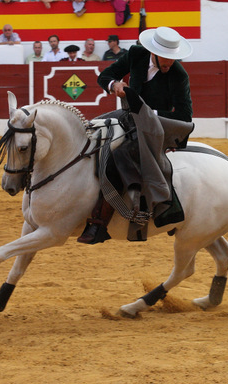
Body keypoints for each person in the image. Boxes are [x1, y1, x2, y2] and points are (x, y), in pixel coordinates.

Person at [78, 26, 193, 244]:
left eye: (173, 58)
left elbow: (185, 116)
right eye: (167, 58)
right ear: (154, 53)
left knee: (118, 157)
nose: (171, 63)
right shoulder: (136, 54)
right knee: (90, 135)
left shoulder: (179, 75)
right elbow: (106, 76)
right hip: (127, 117)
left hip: (154, 129)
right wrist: (115, 84)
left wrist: (148, 112)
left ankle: (99, 225)